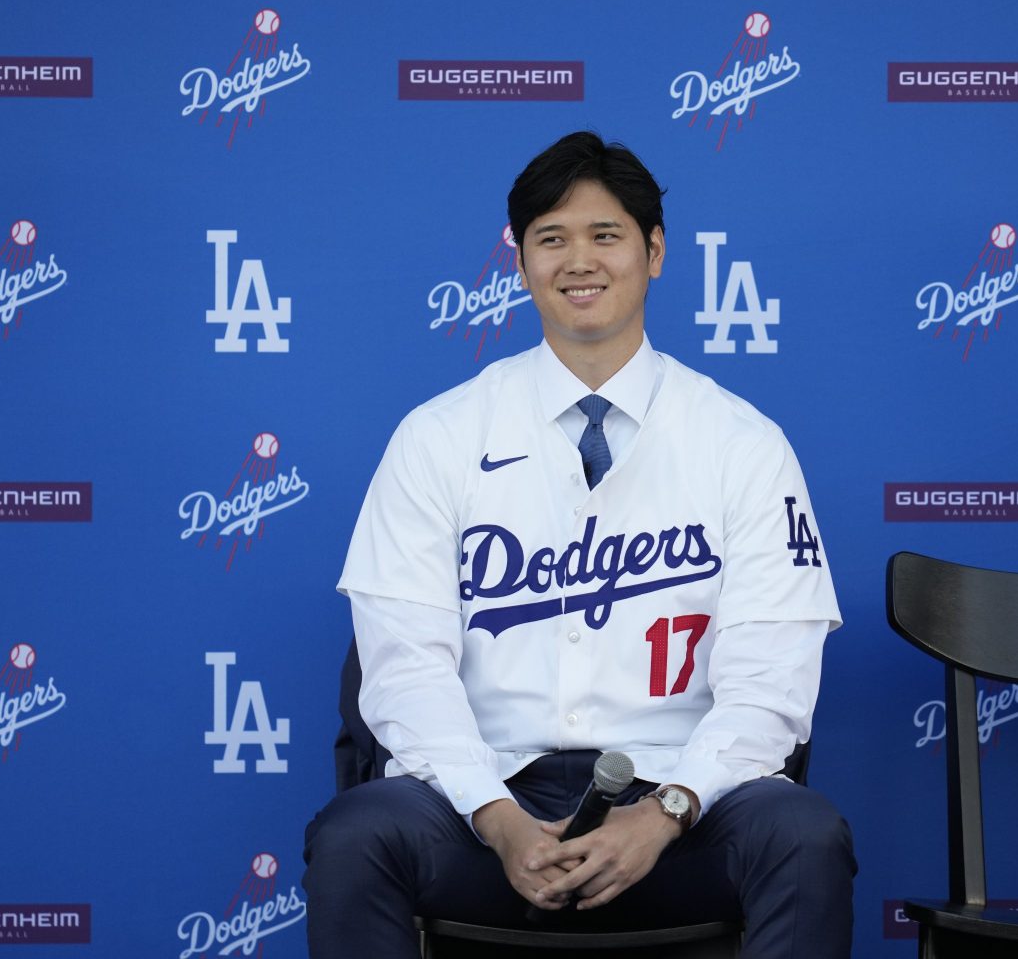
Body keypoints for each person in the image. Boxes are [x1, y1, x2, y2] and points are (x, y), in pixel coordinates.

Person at [303, 131, 856, 959]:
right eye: (550, 239)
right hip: (481, 804)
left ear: (655, 251)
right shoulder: (438, 436)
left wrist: (665, 812)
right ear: (519, 262)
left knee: (803, 838)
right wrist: (497, 820)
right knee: (357, 835)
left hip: (681, 810)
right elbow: (404, 672)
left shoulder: (744, 443)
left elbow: (770, 686)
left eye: (606, 235)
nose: (578, 260)